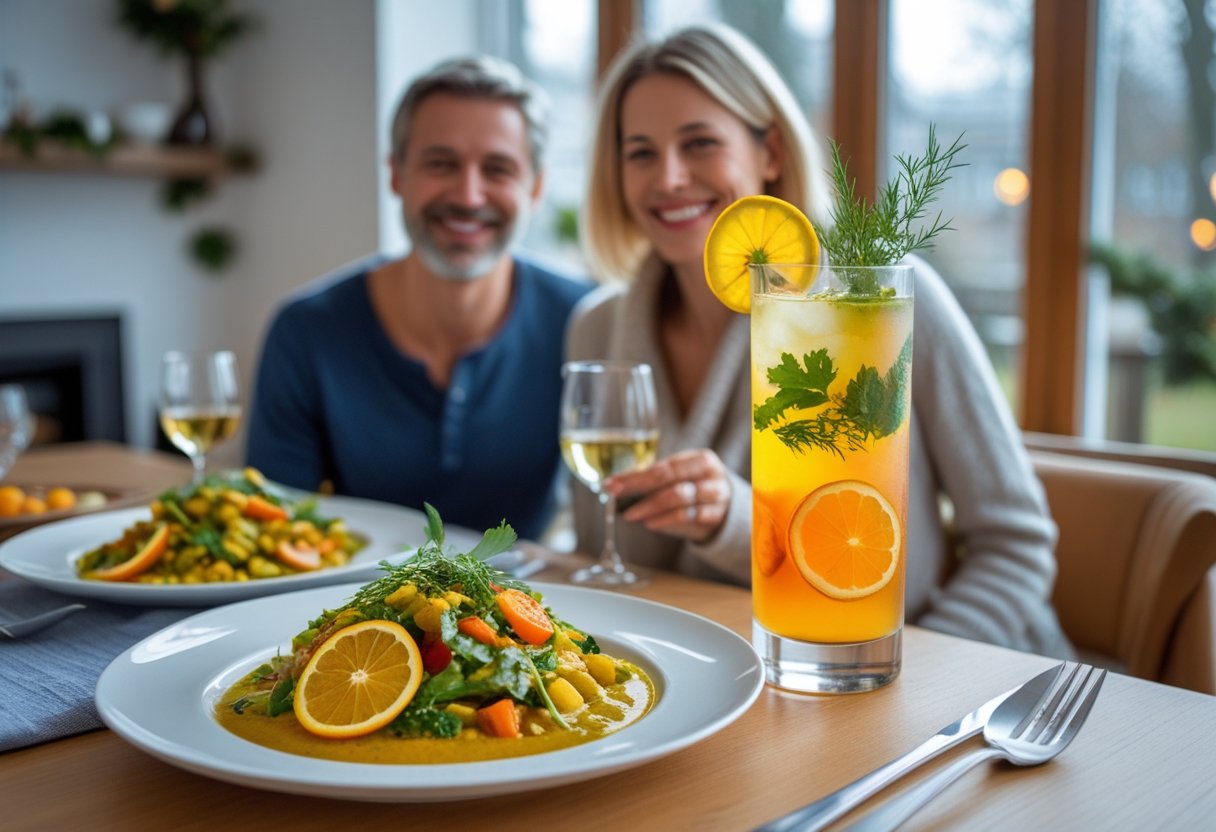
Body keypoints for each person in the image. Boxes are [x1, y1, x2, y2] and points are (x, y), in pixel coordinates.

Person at [567, 23, 1072, 657]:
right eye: (640, 152)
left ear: (771, 152)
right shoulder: (596, 328)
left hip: (950, 678)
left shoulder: (878, 305)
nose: (668, 177)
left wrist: (915, 673)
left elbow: (1016, 548)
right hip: (715, 677)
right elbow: (602, 559)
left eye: (699, 143)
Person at [247, 55, 591, 541]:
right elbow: (276, 532)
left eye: (497, 169)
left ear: (535, 188)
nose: (469, 196)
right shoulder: (305, 331)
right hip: (363, 589)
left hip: (530, 589)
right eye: (441, 164)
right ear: (396, 174)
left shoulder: (587, 321)